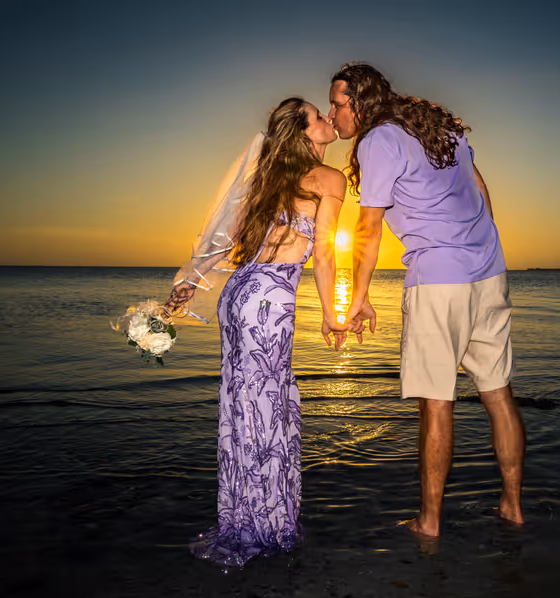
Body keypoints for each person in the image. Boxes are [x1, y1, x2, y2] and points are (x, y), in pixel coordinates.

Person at [327, 63, 526, 538]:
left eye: (336, 104)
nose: (332, 115)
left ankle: (430, 522)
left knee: (436, 404)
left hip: (438, 282)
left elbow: (368, 228)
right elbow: (480, 187)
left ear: (360, 102)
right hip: (489, 272)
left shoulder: (378, 140)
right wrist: (483, 246)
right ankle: (513, 508)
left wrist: (357, 298)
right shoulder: (437, 129)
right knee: (498, 394)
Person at [166, 97, 349, 566]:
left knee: (243, 405)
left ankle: (244, 518)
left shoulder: (270, 180)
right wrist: (332, 313)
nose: (328, 119)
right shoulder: (329, 179)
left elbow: (225, 240)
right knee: (266, 407)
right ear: (304, 133)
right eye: (319, 116)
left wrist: (189, 282)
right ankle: (265, 525)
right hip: (269, 301)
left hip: (238, 296)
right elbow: (324, 253)